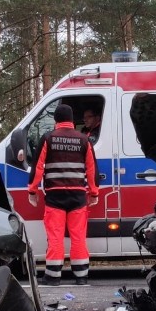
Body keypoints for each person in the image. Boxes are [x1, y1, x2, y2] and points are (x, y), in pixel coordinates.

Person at [28, 104, 99, 286]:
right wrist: (93, 192)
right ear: (71, 120)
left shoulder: (48, 138)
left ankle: (53, 277)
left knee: (55, 236)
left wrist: (32, 190)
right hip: (77, 196)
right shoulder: (84, 140)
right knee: (78, 236)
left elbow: (37, 167)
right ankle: (81, 276)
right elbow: (91, 169)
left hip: (55, 196)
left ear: (56, 120)